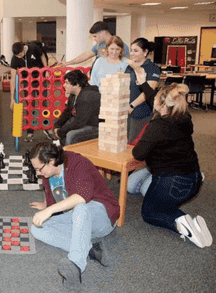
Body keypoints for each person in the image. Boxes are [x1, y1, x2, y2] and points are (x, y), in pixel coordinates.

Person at [129, 66, 212, 248]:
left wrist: (145, 139)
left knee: (149, 212)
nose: (154, 102)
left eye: (157, 100)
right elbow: (154, 99)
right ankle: (191, 222)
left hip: (173, 182)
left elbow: (138, 154)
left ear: (162, 105)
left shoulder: (158, 125)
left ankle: (182, 222)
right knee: (152, 196)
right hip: (194, 180)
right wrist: (143, 82)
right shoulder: (184, 116)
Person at [29, 142, 119, 290]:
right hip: (77, 222)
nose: (39, 173)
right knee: (37, 228)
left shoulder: (78, 163)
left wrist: (49, 211)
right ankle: (90, 249)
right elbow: (54, 201)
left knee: (80, 208)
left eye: (39, 168)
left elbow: (83, 197)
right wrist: (46, 206)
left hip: (102, 217)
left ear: (51, 162)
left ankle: (76, 264)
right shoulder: (48, 174)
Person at [125, 38, 161, 142]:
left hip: (141, 110)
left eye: (136, 51)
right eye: (131, 50)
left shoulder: (152, 68)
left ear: (145, 52)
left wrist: (132, 105)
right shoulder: (130, 67)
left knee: (134, 141)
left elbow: (148, 91)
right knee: (126, 140)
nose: (132, 54)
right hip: (127, 109)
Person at [53, 69, 101, 146]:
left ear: (77, 84)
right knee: (69, 122)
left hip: (97, 126)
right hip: (86, 122)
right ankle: (62, 143)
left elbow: (79, 121)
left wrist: (60, 132)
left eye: (67, 83)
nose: (64, 85)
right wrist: (57, 125)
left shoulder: (87, 97)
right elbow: (68, 111)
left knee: (71, 135)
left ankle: (69, 155)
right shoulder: (74, 94)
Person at [9, 42, 44, 142]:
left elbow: (42, 57)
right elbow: (12, 79)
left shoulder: (33, 48)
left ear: (24, 48)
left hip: (40, 78)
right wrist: (12, 98)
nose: (19, 57)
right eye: (17, 55)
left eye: (20, 54)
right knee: (30, 106)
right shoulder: (15, 58)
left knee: (45, 103)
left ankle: (48, 128)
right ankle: (30, 132)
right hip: (27, 83)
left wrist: (46, 70)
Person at [62, 21, 130, 67]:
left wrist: (107, 56)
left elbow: (126, 64)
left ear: (102, 33)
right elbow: (86, 55)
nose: (94, 39)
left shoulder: (121, 45)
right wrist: (68, 63)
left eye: (95, 36)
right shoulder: (99, 45)